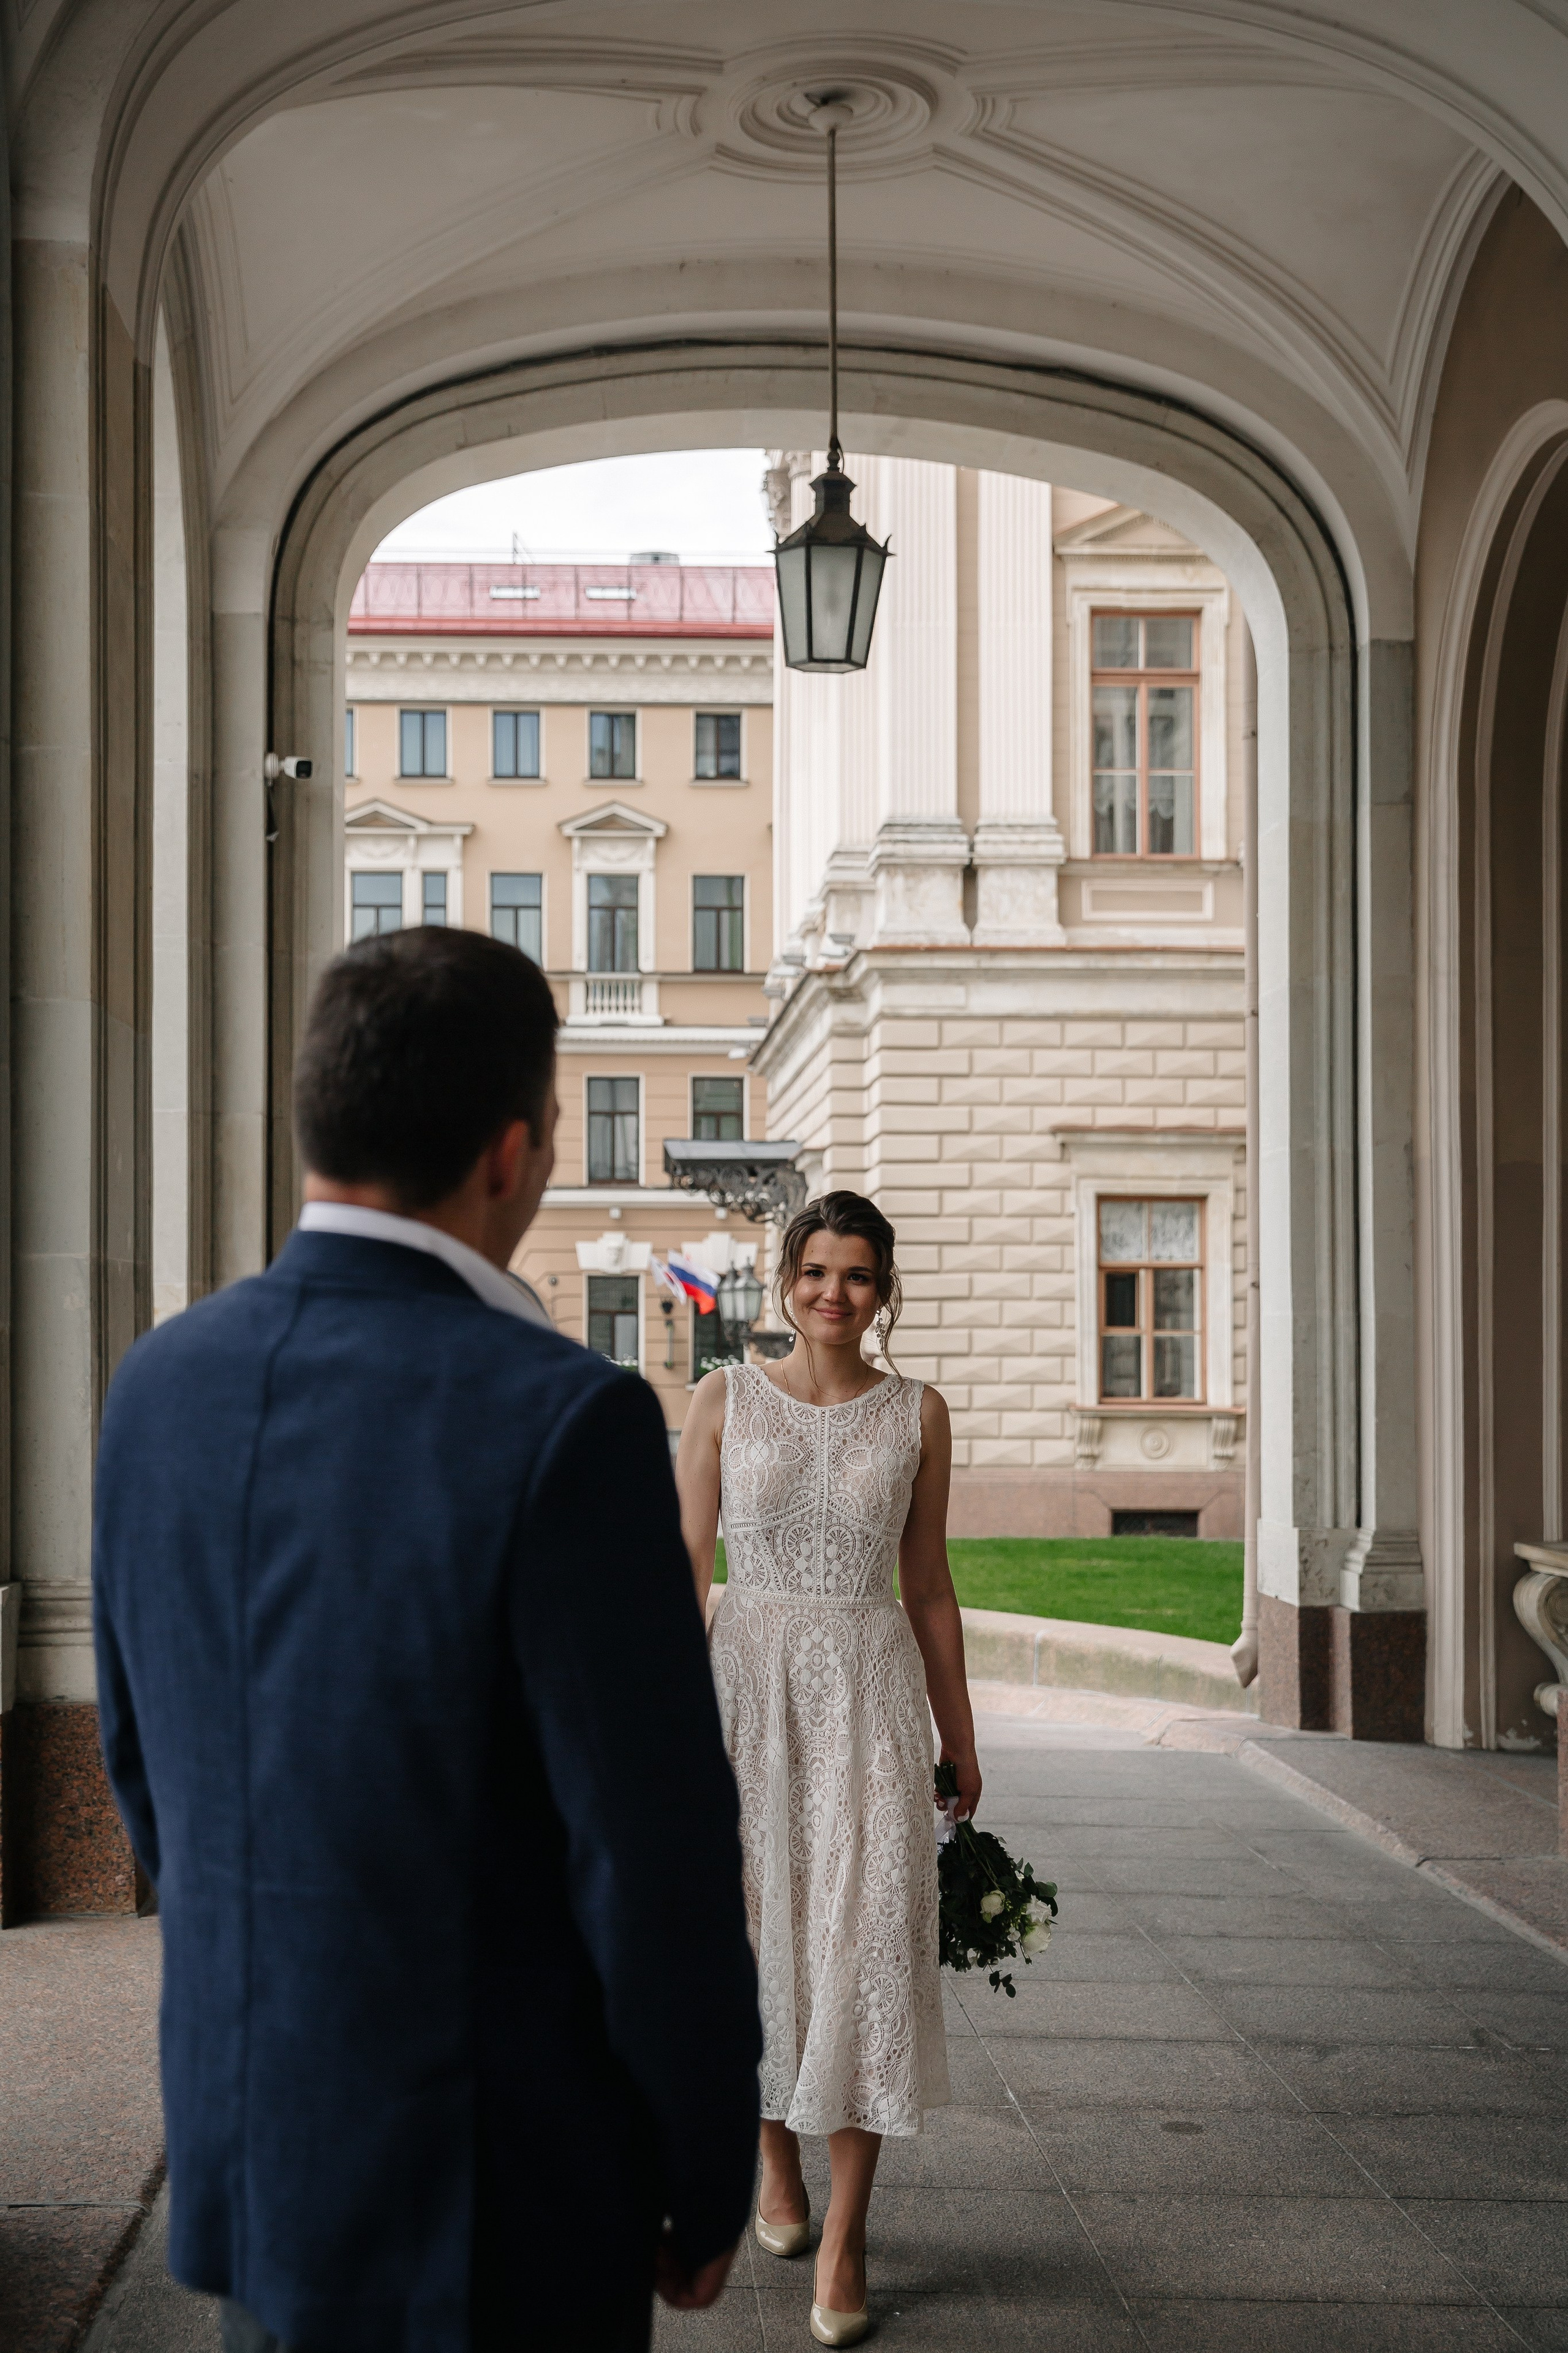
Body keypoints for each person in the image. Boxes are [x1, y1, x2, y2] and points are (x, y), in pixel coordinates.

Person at [93, 926, 761, 2353]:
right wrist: (700, 2166)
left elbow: (144, 1768)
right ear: (513, 1153)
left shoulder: (156, 1388)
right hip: (494, 2192)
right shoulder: (569, 1420)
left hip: (260, 2149)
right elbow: (653, 1856)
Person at [676, 1191, 979, 2350]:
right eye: (814, 1271)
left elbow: (932, 1587)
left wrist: (961, 1735)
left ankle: (845, 2231)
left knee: (861, 1946)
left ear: (884, 1288)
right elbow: (682, 1573)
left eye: (857, 1275)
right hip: (741, 1699)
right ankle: (774, 2163)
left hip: (869, 1696)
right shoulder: (722, 1397)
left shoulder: (917, 1414)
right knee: (752, 1940)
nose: (833, 1294)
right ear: (783, 1279)